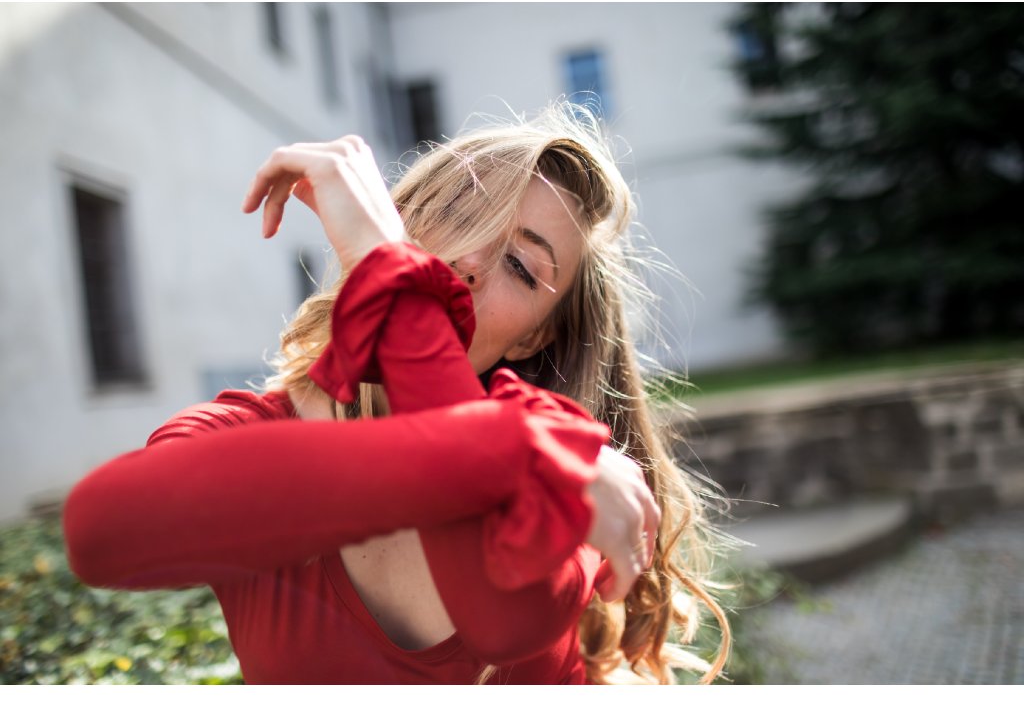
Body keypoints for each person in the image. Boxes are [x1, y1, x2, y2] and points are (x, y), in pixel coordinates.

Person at [63, 102, 730, 684]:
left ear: (532, 338)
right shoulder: (540, 456)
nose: (469, 261)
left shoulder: (560, 446)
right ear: (390, 223)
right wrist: (511, 449)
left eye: (520, 266)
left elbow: (503, 622)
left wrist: (402, 291)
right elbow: (101, 533)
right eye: (459, 214)